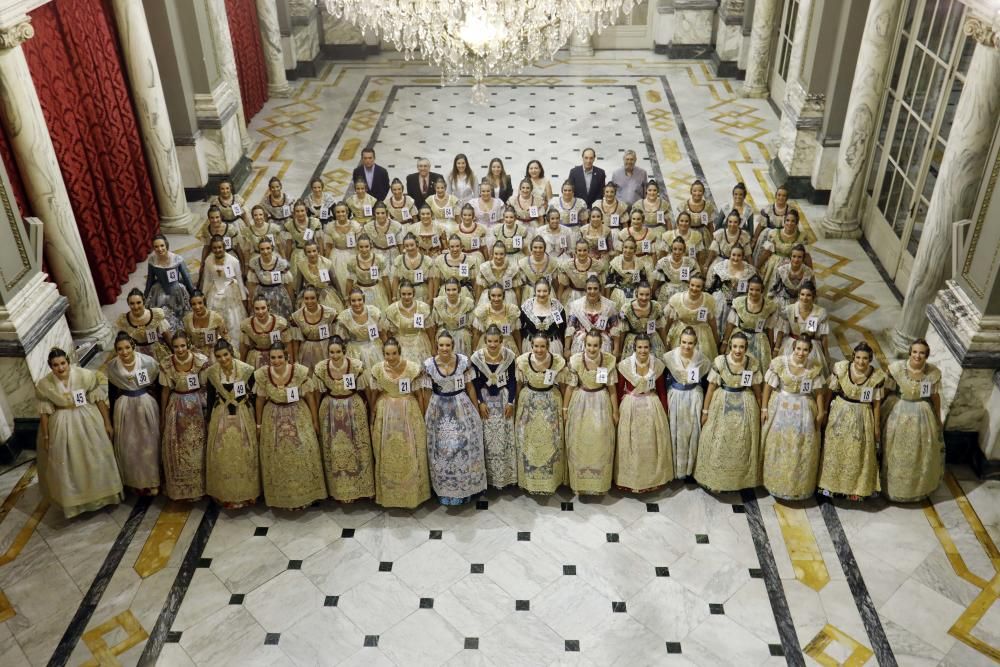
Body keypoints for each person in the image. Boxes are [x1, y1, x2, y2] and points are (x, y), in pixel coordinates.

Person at [36, 348, 123, 518]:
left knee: (95, 456)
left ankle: (103, 496)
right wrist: (46, 436)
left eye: (63, 363)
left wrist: (107, 423)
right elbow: (44, 413)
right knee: (70, 462)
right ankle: (77, 503)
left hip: (88, 419)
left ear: (68, 362)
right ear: (50, 367)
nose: (60, 368)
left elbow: (98, 401)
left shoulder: (85, 376)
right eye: (55, 365)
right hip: (61, 424)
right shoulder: (44, 385)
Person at [254, 343, 328, 509]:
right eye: (273, 357)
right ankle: (282, 497)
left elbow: (310, 398)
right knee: (276, 456)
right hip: (272, 417)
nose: (276, 360)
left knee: (302, 452)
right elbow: (259, 400)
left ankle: (307, 495)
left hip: (298, 415)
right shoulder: (263, 375)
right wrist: (258, 424)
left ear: (286, 357)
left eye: (280, 357)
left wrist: (315, 421)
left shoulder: (299, 372)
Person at [694, 332, 763, 492]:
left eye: (742, 347)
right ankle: (716, 478)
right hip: (722, 401)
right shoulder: (720, 362)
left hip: (745, 403)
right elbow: (711, 388)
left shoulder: (752, 364)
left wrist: (761, 409)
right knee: (719, 438)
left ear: (746, 348)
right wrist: (705, 411)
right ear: (730, 346)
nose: (738, 350)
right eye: (735, 346)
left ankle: (739, 481)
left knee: (742, 441)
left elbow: (757, 389)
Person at [423, 331, 487, 505]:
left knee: (462, 445)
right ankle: (445, 490)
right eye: (441, 345)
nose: (444, 348)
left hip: (460, 406)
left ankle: (465, 489)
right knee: (443, 449)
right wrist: (427, 414)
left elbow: (471, 387)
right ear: (437, 345)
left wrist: (475, 408)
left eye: (447, 345)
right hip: (439, 408)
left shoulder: (463, 362)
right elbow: (427, 392)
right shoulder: (429, 365)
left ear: (453, 346)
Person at [368, 337, 431, 507]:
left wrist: (423, 413)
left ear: (399, 351)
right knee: (388, 451)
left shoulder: (412, 368)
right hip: (387, 412)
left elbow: (419, 394)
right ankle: (390, 494)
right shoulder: (377, 370)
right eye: (387, 354)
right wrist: (373, 412)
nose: (391, 357)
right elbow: (374, 393)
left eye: (394, 353)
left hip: (408, 410)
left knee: (411, 449)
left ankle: (414, 493)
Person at [760, 338, 825, 500]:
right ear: (793, 348)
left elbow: (818, 392)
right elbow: (768, 387)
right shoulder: (780, 364)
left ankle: (796, 486)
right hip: (781, 406)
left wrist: (821, 412)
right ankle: (773, 482)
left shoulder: (814, 368)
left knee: (799, 446)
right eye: (798, 349)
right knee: (778, 444)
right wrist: (764, 407)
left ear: (809, 351)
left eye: (805, 350)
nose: (801, 353)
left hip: (803, 408)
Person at [819, 342, 885, 499]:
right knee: (834, 449)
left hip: (862, 414)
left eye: (865, 359)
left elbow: (876, 403)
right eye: (858, 358)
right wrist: (826, 411)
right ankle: (829, 487)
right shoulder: (841, 369)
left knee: (857, 452)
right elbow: (830, 391)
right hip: (840, 412)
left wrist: (876, 426)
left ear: (870, 359)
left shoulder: (877, 377)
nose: (861, 362)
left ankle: (855, 490)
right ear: (853, 357)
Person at [880, 339, 944, 502]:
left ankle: (913, 489)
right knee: (893, 448)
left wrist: (938, 417)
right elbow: (886, 390)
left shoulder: (933, 373)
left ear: (926, 355)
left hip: (921, 413)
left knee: (917, 451)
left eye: (922, 353)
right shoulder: (896, 369)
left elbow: (934, 397)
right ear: (910, 353)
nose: (918, 355)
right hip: (898, 409)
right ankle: (889, 486)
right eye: (915, 352)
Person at [314, 336, 375, 502]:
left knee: (358, 446)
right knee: (334, 450)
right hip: (330, 410)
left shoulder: (356, 366)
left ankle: (361, 488)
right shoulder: (321, 368)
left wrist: (372, 410)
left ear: (344, 351)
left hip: (353, 408)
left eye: (338, 352)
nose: (335, 355)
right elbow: (316, 394)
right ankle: (339, 490)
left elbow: (366, 389)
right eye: (331, 352)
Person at [204, 339, 260, 508]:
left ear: (232, 353)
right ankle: (225, 494)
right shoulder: (212, 373)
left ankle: (248, 494)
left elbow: (256, 394)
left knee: (246, 452)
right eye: (219, 356)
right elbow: (210, 396)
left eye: (225, 355)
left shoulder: (246, 370)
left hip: (243, 413)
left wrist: (258, 421)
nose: (223, 359)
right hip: (221, 416)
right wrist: (208, 421)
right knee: (222, 454)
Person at [104, 333, 160, 495]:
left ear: (133, 346)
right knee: (130, 445)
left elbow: (156, 386)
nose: (124, 352)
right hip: (124, 407)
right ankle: (134, 481)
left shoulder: (147, 363)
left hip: (146, 405)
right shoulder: (113, 367)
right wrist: (111, 417)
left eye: (127, 347)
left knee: (149, 443)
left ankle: (152, 481)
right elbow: (112, 392)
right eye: (120, 349)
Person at [563, 330, 618, 495]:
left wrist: (615, 411)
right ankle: (580, 483)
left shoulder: (607, 361)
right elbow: (570, 387)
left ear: (601, 346)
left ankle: (599, 483)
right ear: (584, 344)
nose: (592, 349)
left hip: (601, 402)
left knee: (601, 441)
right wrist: (565, 409)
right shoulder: (576, 361)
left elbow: (612, 389)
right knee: (579, 440)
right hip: (581, 402)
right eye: (589, 345)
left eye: (595, 345)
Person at [616, 334, 672, 492]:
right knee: (631, 444)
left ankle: (653, 480)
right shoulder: (625, 366)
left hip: (651, 405)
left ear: (650, 348)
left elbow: (661, 390)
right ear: (634, 348)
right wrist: (618, 412)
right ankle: (630, 480)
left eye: (646, 347)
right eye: (639, 347)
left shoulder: (658, 365)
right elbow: (620, 389)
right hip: (630, 406)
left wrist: (665, 409)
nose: (643, 350)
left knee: (652, 444)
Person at [159, 332, 210, 501]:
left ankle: (201, 486)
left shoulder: (200, 361)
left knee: (198, 445)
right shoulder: (167, 364)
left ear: (188, 344)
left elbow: (205, 385)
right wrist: (164, 413)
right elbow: (165, 390)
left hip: (197, 406)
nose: (180, 349)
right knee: (178, 447)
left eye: (182, 346)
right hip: (177, 406)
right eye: (176, 347)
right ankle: (182, 488)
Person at [514, 333, 567, 494]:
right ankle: (529, 480)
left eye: (542, 346)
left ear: (548, 347)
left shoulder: (557, 362)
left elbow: (564, 386)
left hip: (551, 402)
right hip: (529, 402)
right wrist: (517, 404)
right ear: (531, 346)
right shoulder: (523, 361)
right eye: (536, 346)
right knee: (528, 441)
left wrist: (564, 407)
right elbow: (518, 384)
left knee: (551, 440)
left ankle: (550, 480)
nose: (539, 350)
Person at [471, 326, 518, 488]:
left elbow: (513, 380)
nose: (493, 345)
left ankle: (505, 476)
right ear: (485, 341)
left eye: (496, 341)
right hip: (486, 401)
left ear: (501, 341)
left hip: (503, 400)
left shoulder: (509, 356)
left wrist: (511, 401)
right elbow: (475, 383)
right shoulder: (477, 358)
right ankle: (488, 478)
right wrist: (480, 402)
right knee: (487, 438)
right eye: (489, 341)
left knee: (504, 436)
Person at [664, 328, 710, 478]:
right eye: (684, 342)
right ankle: (674, 469)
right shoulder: (669, 357)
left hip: (694, 398)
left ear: (695, 343)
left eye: (690, 343)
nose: (686, 346)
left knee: (692, 432)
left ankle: (688, 469)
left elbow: (703, 382)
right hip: (676, 397)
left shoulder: (702, 360)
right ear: (679, 342)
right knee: (674, 431)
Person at [774, 281, 830, 375]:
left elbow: (824, 336)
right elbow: (781, 330)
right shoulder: (790, 309)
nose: (805, 298)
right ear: (799, 295)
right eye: (802, 294)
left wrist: (826, 353)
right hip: (792, 344)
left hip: (811, 346)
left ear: (813, 297)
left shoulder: (820, 312)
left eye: (808, 295)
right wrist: (776, 348)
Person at [200, 235, 248, 341]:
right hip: (214, 290)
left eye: (219, 247)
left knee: (232, 318)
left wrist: (244, 299)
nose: (217, 250)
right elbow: (207, 279)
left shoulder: (233, 261)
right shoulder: (208, 260)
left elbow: (240, 281)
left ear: (224, 247)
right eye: (215, 248)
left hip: (231, 290)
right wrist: (202, 296)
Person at [724, 275, 777, 370]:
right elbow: (730, 323)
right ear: (748, 288)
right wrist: (725, 341)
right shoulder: (739, 302)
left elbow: (770, 328)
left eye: (757, 290)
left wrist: (772, 348)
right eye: (751, 289)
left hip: (759, 340)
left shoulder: (769, 306)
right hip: (740, 337)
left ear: (762, 290)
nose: (754, 292)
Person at [144, 234, 195, 332]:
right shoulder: (152, 261)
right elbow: (150, 279)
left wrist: (193, 293)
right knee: (162, 315)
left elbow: (186, 277)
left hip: (176, 290)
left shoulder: (177, 259)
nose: (159, 249)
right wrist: (145, 295)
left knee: (179, 314)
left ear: (166, 245)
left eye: (162, 245)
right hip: (160, 290)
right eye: (156, 246)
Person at [705, 244, 758, 336]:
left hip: (739, 301)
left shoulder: (749, 270)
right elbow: (711, 284)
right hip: (721, 299)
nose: (736, 258)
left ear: (743, 256)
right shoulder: (721, 266)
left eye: (739, 255)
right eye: (733, 255)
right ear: (730, 254)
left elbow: (751, 288)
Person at [757, 209, 814, 290]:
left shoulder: (802, 237)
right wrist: (757, 267)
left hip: (793, 266)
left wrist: (811, 272)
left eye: (793, 221)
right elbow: (767, 253)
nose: (789, 223)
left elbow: (807, 256)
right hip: (774, 266)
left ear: (796, 223)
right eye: (787, 220)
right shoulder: (774, 233)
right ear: (784, 221)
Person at [665, 275, 719, 360]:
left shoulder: (708, 300)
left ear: (702, 288)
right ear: (688, 285)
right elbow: (669, 321)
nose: (694, 288)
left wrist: (716, 340)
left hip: (702, 334)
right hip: (681, 332)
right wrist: (665, 337)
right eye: (692, 285)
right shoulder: (677, 299)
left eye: (698, 286)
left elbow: (712, 322)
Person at [383, 280, 434, 365]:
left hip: (420, 342)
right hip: (401, 343)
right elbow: (389, 333)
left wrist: (433, 346)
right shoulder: (392, 310)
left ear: (413, 293)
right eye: (403, 294)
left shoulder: (422, 308)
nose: (406, 297)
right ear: (400, 294)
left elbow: (430, 329)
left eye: (409, 294)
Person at [566, 276, 620, 355]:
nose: (592, 291)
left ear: (599, 289)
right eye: (589, 288)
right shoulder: (576, 305)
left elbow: (615, 329)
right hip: (581, 345)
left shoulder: (609, 305)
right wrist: (567, 348)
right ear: (586, 289)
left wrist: (616, 349)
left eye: (595, 288)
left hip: (603, 345)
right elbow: (570, 328)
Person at [290, 286, 338, 372]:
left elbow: (335, 336)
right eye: (306, 298)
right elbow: (296, 341)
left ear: (317, 298)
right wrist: (296, 360)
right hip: (306, 351)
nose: (309, 301)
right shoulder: (296, 316)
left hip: (325, 349)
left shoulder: (330, 313)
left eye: (312, 298)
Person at [117, 288, 172, 362]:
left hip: (157, 351)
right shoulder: (124, 320)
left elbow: (167, 336)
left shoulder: (156, 315)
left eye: (138, 302)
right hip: (138, 354)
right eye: (132, 303)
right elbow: (122, 342)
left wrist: (175, 351)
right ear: (128, 304)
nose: (136, 307)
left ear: (144, 302)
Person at [246, 237, 295, 320]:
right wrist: (251, 300)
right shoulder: (254, 263)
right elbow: (252, 285)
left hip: (279, 297)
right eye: (262, 249)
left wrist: (292, 302)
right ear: (259, 250)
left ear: (272, 248)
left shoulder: (281, 264)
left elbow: (288, 285)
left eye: (268, 248)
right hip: (261, 296)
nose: (265, 251)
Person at [336, 288, 385, 369]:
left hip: (374, 348)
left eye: (359, 300)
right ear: (349, 301)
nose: (357, 303)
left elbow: (382, 333)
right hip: (354, 352)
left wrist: (385, 349)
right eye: (353, 301)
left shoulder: (374, 312)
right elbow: (341, 340)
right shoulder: (344, 317)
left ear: (364, 300)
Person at [520, 278, 567, 356]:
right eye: (539, 291)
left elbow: (562, 328)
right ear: (535, 291)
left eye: (545, 291)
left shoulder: (557, 307)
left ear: (549, 291)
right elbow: (520, 328)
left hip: (553, 347)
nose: (541, 294)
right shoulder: (527, 306)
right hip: (530, 346)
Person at [240, 297, 291, 368]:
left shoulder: (280, 323)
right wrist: (242, 364)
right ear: (253, 309)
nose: (260, 312)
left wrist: (288, 362)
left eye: (263, 308)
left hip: (275, 358)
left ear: (268, 307)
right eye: (257, 309)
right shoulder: (246, 325)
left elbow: (287, 346)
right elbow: (244, 347)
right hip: (255, 359)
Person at [620, 282, 666, 357]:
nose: (644, 298)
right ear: (636, 293)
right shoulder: (626, 308)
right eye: (641, 294)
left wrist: (665, 345)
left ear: (651, 295)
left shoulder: (656, 306)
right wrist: (620, 349)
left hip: (652, 339)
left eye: (647, 294)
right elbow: (622, 332)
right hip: (633, 341)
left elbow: (661, 329)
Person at [295, 240, 343, 312]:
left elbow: (335, 282)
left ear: (318, 251)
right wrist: (298, 299)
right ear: (305, 253)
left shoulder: (327, 263)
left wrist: (341, 297)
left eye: (314, 251)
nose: (312, 254)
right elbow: (299, 285)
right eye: (309, 252)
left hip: (326, 294)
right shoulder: (301, 265)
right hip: (309, 294)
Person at [346, 234, 391, 311]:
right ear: (357, 247)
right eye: (361, 247)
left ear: (371, 246)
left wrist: (390, 298)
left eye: (366, 246)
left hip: (377, 291)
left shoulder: (379, 259)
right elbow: (349, 281)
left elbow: (385, 279)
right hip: (360, 292)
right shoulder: (353, 261)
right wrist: (347, 298)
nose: (364, 249)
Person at [326, 202, 364, 293]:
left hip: (353, 255)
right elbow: (328, 246)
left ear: (347, 212)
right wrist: (326, 263)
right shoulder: (330, 226)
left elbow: (360, 244)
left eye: (343, 211)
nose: (340, 214)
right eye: (338, 212)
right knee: (340, 279)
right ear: (335, 214)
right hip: (337, 256)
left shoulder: (355, 225)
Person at [473, 283, 521, 353]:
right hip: (487, 347)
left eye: (499, 295)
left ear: (503, 296)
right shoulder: (482, 311)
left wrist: (520, 352)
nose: (496, 299)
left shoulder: (511, 311)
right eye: (493, 295)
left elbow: (516, 334)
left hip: (508, 348)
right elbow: (477, 334)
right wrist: (474, 351)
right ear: (489, 296)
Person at [183, 290, 229, 364]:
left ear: (204, 302)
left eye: (200, 303)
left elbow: (225, 338)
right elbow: (186, 340)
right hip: (195, 356)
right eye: (193, 304)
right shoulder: (187, 319)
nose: (197, 307)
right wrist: (192, 349)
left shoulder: (216, 317)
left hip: (214, 354)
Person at [432, 278, 476, 355]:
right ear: (445, 291)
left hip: (462, 334)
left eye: (454, 289)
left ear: (458, 290)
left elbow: (472, 326)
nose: (451, 293)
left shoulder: (467, 303)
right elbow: (434, 325)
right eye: (448, 290)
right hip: (444, 332)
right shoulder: (439, 303)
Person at [652, 236, 701, 303]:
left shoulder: (689, 262)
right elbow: (656, 282)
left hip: (684, 292)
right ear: (671, 249)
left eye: (680, 249)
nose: (677, 252)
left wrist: (688, 280)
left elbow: (695, 281)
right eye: (675, 249)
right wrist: (652, 295)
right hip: (667, 292)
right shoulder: (663, 262)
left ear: (684, 250)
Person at [392, 233, 436, 306]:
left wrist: (430, 298)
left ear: (417, 244)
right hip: (404, 293)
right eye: (407, 246)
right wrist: (394, 297)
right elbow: (396, 279)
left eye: (412, 245)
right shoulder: (399, 260)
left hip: (421, 293)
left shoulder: (426, 260)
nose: (409, 248)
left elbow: (430, 281)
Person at [560, 239, 607, 304]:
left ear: (588, 251)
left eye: (585, 250)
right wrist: (559, 302)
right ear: (576, 251)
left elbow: (602, 287)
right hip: (573, 296)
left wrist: (601, 301)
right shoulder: (568, 265)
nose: (582, 253)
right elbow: (562, 287)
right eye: (579, 250)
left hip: (592, 295)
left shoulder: (597, 265)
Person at [434, 235, 480, 302]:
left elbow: (474, 281)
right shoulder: (440, 260)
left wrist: (476, 298)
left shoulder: (469, 260)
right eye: (452, 246)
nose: (455, 249)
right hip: (446, 292)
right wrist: (435, 295)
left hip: (464, 293)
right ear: (448, 247)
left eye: (457, 246)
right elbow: (437, 279)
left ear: (461, 246)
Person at [768, 244, 815, 310]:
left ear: (803, 258)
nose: (796, 259)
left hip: (801, 302)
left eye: (799, 257)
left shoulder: (809, 273)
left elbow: (813, 291)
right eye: (794, 256)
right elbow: (773, 288)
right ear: (790, 256)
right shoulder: (781, 270)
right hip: (782, 301)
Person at [607, 237, 649, 309]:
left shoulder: (640, 264)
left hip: (635, 296)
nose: (628, 250)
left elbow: (643, 283)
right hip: (617, 296)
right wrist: (607, 302)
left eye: (631, 248)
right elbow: (608, 284)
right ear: (622, 248)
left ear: (635, 250)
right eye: (625, 247)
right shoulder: (614, 263)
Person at [753, 184, 791, 261]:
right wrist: (754, 239)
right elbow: (760, 225)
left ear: (787, 198)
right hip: (768, 236)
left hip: (783, 237)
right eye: (779, 195)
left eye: (783, 196)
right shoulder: (768, 209)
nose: (781, 197)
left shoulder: (790, 211)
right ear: (776, 196)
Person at [519, 236, 560, 301]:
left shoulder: (552, 262)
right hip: (529, 293)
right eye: (535, 247)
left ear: (544, 248)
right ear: (531, 248)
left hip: (547, 293)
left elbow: (555, 283)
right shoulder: (523, 262)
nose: (538, 250)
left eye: (541, 248)